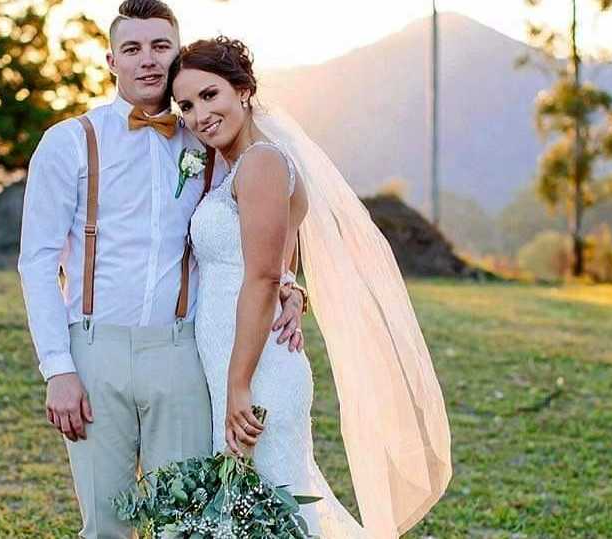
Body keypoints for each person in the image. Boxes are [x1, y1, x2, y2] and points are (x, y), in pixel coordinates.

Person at [16, 2, 306, 537]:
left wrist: (287, 284)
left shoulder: (208, 135)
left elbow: (267, 213)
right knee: (105, 524)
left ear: (174, 54)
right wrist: (57, 368)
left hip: (183, 355)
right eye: (132, 49)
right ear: (111, 60)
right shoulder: (69, 142)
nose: (147, 61)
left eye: (159, 47)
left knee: (187, 524)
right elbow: (36, 263)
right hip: (93, 351)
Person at [171, 36, 453, 537]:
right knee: (256, 513)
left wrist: (239, 384)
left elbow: (258, 278)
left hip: (254, 371)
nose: (197, 115)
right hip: (238, 362)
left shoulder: (259, 162)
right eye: (186, 105)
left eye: (209, 96)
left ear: (242, 90)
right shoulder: (249, 163)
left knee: (268, 512)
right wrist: (293, 289)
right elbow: (278, 254)